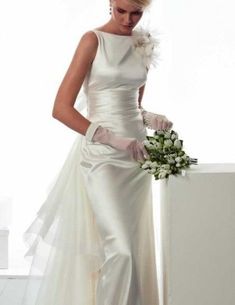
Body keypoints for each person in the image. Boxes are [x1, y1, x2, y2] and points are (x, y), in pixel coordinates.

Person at [20, 0, 173, 305]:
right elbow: (60, 109)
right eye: (122, 11)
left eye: (136, 13)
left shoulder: (143, 42)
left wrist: (149, 118)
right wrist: (112, 139)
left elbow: (131, 103)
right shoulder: (93, 40)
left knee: (134, 249)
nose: (128, 19)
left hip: (137, 159)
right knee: (122, 251)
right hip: (102, 158)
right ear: (110, 4)